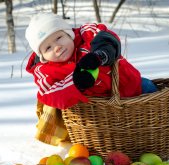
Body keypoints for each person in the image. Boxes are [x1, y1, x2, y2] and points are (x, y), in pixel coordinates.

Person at [25, 12, 157, 111]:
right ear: (42, 56)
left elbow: (106, 37)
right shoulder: (45, 71)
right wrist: (76, 82)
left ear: (68, 34)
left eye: (59, 37)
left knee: (155, 98)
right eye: (48, 47)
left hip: (134, 85)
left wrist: (100, 55)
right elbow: (48, 94)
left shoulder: (86, 34)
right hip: (100, 111)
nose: (57, 47)